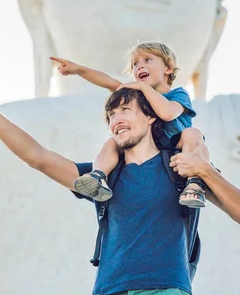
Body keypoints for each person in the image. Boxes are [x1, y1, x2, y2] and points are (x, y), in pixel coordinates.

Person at [0, 69, 240, 295]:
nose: (117, 118)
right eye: (111, 115)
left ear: (150, 117)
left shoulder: (183, 167)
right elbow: (38, 156)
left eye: (125, 109)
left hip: (165, 289)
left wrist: (204, 171)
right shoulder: (103, 177)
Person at [51, 41, 210, 208]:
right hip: (152, 152)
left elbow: (168, 113)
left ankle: (195, 182)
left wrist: (142, 86)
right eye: (135, 64)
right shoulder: (138, 95)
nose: (139, 66)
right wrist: (79, 70)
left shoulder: (178, 94)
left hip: (178, 147)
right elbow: (109, 82)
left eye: (147, 60)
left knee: (192, 134)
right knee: (112, 142)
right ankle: (98, 175)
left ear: (168, 68)